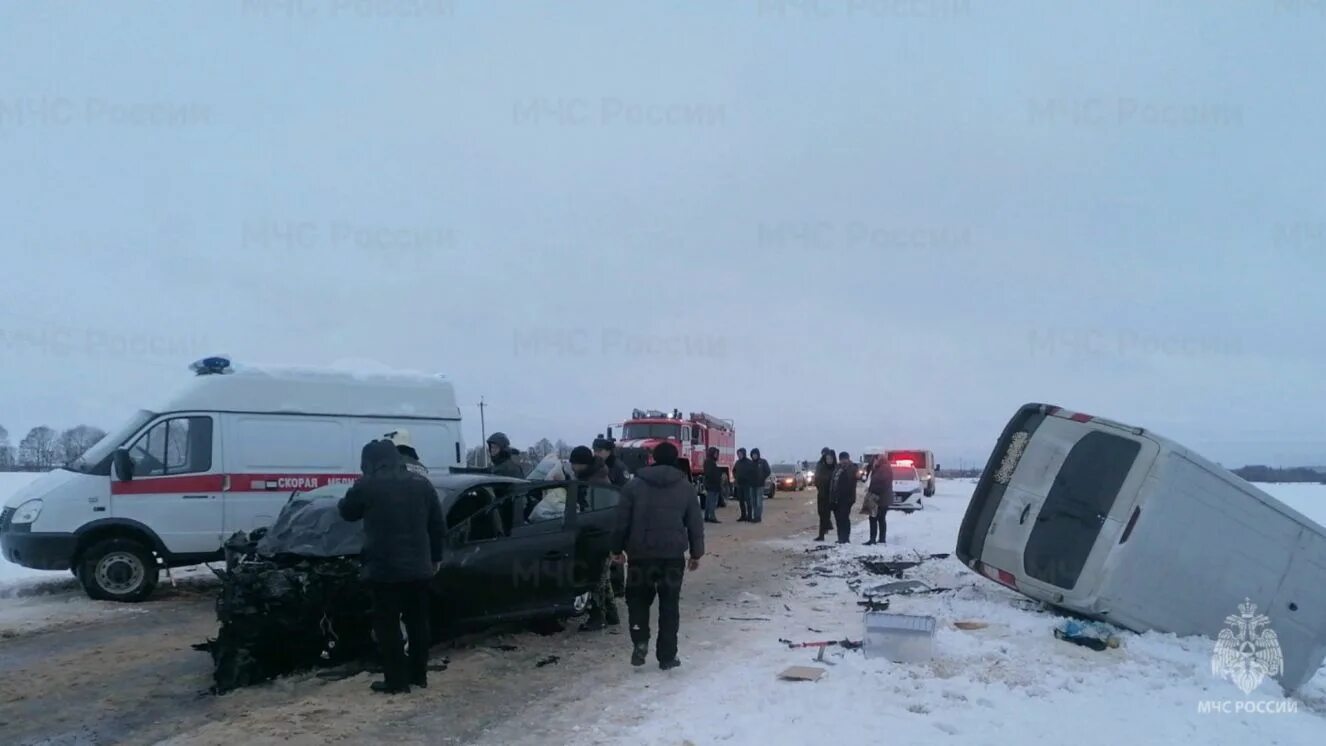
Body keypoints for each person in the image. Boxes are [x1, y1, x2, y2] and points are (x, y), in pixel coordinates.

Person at [337, 440, 444, 694]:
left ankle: (397, 681)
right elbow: (437, 525)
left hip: (384, 569)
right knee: (418, 622)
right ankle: (419, 676)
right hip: (419, 568)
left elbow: (347, 512)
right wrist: (436, 557)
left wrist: (356, 490)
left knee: (388, 626)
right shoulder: (422, 484)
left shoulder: (368, 485)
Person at [612, 441, 704, 670]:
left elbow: (621, 521)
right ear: (675, 460)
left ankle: (640, 641)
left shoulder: (633, 486)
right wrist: (696, 553)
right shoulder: (685, 487)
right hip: (672, 556)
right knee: (669, 604)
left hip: (640, 556)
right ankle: (667, 656)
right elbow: (694, 523)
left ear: (652, 459)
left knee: (637, 601)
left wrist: (616, 549)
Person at [829, 451, 859, 544]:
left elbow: (853, 478)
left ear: (848, 459)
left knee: (844, 518)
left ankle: (845, 538)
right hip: (836, 498)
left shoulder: (852, 468)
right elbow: (833, 482)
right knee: (838, 519)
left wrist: (848, 469)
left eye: (845, 459)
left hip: (847, 499)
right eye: (842, 459)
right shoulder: (837, 468)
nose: (843, 461)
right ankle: (840, 537)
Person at [864, 456, 894, 545]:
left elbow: (882, 483)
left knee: (875, 518)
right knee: (878, 518)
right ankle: (879, 539)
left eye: (874, 460)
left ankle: (875, 539)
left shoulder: (884, 469)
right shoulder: (879, 468)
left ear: (879, 460)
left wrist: (872, 491)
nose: (873, 462)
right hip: (879, 497)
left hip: (879, 498)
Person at [813, 448, 837, 542]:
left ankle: (842, 537)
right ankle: (821, 534)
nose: (829, 460)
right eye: (827, 458)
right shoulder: (822, 467)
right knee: (822, 514)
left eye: (830, 459)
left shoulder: (836, 469)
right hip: (822, 495)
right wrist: (818, 485)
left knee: (836, 516)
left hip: (832, 496)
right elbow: (817, 478)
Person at [732, 448, 757, 522]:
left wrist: (750, 479)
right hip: (739, 484)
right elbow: (734, 471)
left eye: (740, 454)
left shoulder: (749, 462)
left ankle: (749, 516)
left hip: (747, 484)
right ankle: (743, 515)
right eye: (738, 454)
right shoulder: (737, 463)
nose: (739, 455)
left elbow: (754, 472)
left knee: (748, 500)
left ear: (744, 454)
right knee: (741, 501)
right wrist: (736, 477)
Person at [701, 446, 723, 524]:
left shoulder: (708, 462)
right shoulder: (710, 462)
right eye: (715, 453)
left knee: (709, 501)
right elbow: (711, 473)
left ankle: (707, 516)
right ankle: (711, 516)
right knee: (712, 502)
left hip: (711, 484)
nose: (716, 455)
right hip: (713, 485)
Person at [749, 448, 771, 523]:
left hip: (760, 485)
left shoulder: (762, 462)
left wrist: (762, 477)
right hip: (752, 485)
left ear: (758, 454)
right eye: (753, 455)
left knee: (759, 502)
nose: (754, 456)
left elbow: (768, 471)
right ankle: (754, 516)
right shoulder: (751, 463)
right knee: (753, 502)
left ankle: (758, 517)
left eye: (755, 454)